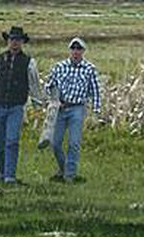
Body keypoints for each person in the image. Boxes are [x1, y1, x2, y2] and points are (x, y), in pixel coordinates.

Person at [0, 26, 43, 185]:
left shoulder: (29, 63)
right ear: (8, 41)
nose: (15, 43)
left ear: (22, 42)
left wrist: (37, 108)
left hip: (16, 107)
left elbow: (34, 87)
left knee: (12, 141)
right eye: (12, 39)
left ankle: (10, 177)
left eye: (18, 40)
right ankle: (2, 172)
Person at [45, 37, 103, 183]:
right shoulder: (60, 67)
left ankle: (70, 175)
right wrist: (54, 100)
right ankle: (63, 167)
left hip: (77, 108)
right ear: (70, 50)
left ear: (83, 51)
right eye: (73, 49)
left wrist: (96, 111)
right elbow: (49, 85)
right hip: (61, 107)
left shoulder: (89, 69)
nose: (76, 52)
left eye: (79, 49)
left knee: (74, 143)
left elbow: (95, 90)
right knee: (55, 142)